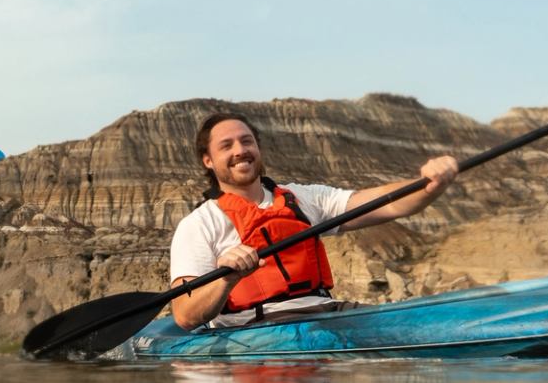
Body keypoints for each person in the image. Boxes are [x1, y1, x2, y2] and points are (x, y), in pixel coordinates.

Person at [167, 111, 458, 330]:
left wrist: (429, 184)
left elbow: (390, 205)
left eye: (247, 141)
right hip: (258, 327)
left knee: (420, 324)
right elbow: (184, 315)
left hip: (330, 311)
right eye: (226, 146)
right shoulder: (199, 225)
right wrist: (226, 280)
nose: (240, 150)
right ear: (208, 160)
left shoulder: (303, 198)